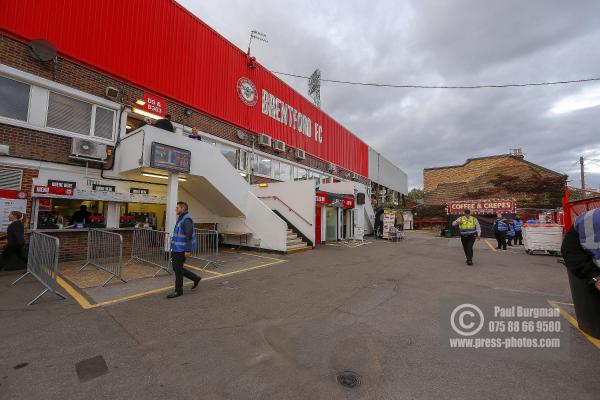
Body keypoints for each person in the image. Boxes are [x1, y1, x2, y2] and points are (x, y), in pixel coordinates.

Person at [166, 201, 201, 299]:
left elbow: (188, 235)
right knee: (177, 268)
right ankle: (195, 278)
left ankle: (178, 291)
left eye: (177, 208)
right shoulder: (181, 218)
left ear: (183, 208)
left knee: (178, 270)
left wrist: (187, 250)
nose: (176, 209)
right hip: (177, 248)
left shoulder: (186, 219)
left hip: (181, 249)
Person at [561, 209, 600, 290]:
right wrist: (594, 276)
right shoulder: (591, 219)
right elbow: (571, 251)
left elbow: (570, 250)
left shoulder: (588, 218)